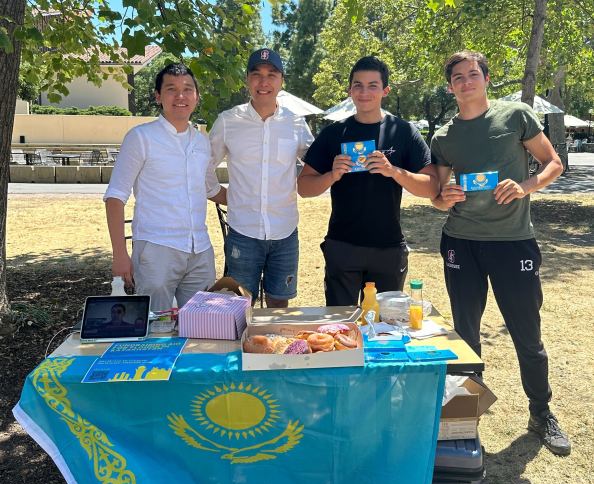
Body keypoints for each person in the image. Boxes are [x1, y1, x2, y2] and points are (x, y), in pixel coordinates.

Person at [430, 50, 570, 456]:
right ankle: (465, 417)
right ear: (451, 85)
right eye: (458, 76)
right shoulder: (443, 137)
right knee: (466, 334)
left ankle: (541, 412)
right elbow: (438, 197)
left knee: (528, 335)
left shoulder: (516, 115)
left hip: (513, 244)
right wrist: (446, 196)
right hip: (462, 243)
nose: (466, 81)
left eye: (473, 73)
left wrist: (526, 186)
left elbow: (553, 163)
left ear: (486, 79)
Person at [297, 56, 439, 306]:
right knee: (341, 326)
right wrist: (332, 175)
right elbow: (304, 188)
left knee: (386, 330)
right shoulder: (333, 134)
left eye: (372, 85)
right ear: (350, 89)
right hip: (342, 246)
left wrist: (394, 171)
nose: (364, 92)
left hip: (388, 248)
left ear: (385, 90)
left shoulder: (403, 131)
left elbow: (431, 186)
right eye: (358, 85)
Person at [104, 63, 226, 312]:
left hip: (200, 250)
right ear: (158, 96)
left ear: (196, 96)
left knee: (201, 326)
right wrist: (120, 254)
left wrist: (255, 199)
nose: (180, 96)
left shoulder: (202, 141)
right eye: (171, 89)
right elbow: (115, 197)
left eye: (187, 89)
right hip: (156, 249)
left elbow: (211, 190)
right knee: (153, 325)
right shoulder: (140, 138)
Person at [209, 48, 314, 307]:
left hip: (285, 232)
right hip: (243, 232)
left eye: (271, 75)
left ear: (281, 81)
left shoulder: (296, 123)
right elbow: (201, 167)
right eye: (256, 74)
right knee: (238, 309)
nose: (263, 82)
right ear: (247, 79)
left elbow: (316, 162)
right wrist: (222, 195)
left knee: (279, 310)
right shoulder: (228, 121)